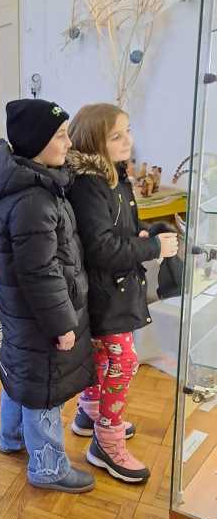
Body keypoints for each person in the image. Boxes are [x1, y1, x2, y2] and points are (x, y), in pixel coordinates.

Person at [0, 98, 96, 493]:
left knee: (22, 374)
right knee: (44, 388)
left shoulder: (35, 185)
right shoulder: (32, 200)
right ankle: (47, 467)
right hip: (42, 316)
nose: (68, 143)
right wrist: (62, 324)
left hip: (26, 315)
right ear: (36, 142)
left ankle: (11, 437)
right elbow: (40, 272)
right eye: (60, 136)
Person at [67, 104, 178, 483]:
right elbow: (99, 248)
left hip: (115, 287)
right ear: (94, 141)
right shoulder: (89, 184)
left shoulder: (113, 175)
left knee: (105, 357)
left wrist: (142, 234)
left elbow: (117, 229)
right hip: (104, 292)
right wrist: (152, 248)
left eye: (128, 130)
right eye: (117, 135)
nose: (128, 140)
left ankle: (90, 412)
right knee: (123, 361)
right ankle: (107, 442)